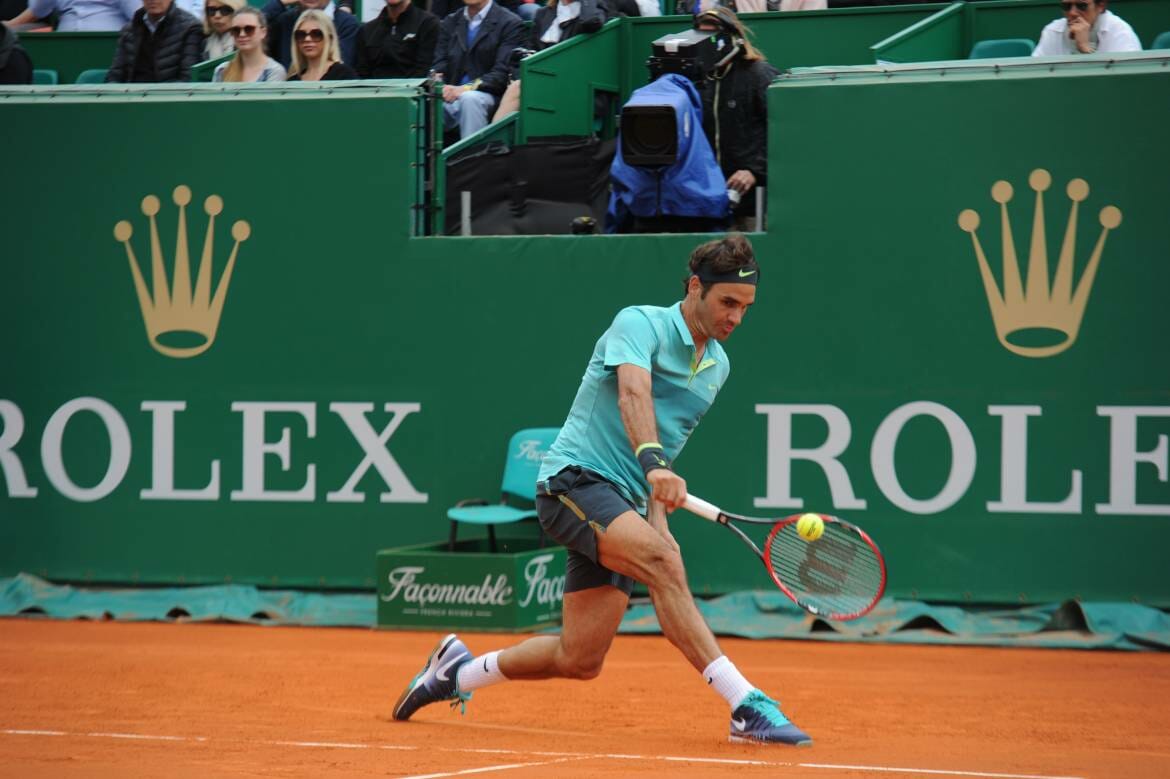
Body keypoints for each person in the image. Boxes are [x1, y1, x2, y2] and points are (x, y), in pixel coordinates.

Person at [392, 234, 813, 747]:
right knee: (663, 565)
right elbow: (633, 394)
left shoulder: (717, 366)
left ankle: (455, 672)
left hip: (625, 502)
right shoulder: (640, 323)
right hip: (575, 482)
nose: (736, 319)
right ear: (696, 287)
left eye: (746, 308)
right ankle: (744, 704)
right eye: (728, 303)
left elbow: (667, 442)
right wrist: (654, 470)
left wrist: (657, 518)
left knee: (579, 657)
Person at [693, 6, 777, 231]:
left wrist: (754, 170)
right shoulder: (698, 83)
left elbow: (784, 131)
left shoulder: (758, 74)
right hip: (711, 204)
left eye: (713, 34)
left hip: (755, 204)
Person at [490, 0, 606, 121]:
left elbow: (591, 22)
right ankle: (495, 137)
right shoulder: (543, 13)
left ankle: (493, 138)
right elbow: (529, 53)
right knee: (518, 85)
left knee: (518, 88)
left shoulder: (594, 11)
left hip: (578, 86)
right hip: (543, 81)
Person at [431, 0, 524, 139]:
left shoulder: (510, 22)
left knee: (469, 99)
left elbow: (500, 75)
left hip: (489, 95)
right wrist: (440, 86)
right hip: (450, 95)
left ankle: (474, 158)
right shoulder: (450, 22)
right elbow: (439, 65)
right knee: (419, 103)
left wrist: (464, 89)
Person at [105, 0, 205, 82]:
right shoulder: (129, 30)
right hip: (130, 98)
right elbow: (115, 75)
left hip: (169, 98)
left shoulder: (190, 28)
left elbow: (187, 79)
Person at [353, 0, 438, 78]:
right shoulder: (367, 30)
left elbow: (424, 69)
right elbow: (362, 74)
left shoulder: (427, 24)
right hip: (374, 92)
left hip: (413, 92)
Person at [262, 0, 358, 68]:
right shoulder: (285, 20)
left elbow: (344, 65)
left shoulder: (346, 23)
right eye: (301, 34)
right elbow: (253, 28)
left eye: (317, 34)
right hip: (287, 90)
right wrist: (280, 3)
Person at [1032, 0, 1140, 56]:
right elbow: (1034, 74)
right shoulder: (1052, 31)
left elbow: (1121, 83)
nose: (1072, 12)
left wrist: (1085, 48)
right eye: (1066, 6)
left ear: (1101, 6)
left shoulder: (1120, 31)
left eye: (1081, 6)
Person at [213, 5, 285, 80]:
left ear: (263, 32)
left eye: (249, 29)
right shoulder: (222, 70)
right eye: (236, 30)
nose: (242, 34)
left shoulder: (274, 71)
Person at [287, 8, 354, 78]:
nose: (307, 39)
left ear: (330, 38)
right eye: (301, 35)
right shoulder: (293, 79)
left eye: (316, 34)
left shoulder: (344, 75)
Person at [3, 0, 136, 31]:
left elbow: (138, 15)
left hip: (106, 42)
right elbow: (38, 10)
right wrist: (8, 26)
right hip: (65, 41)